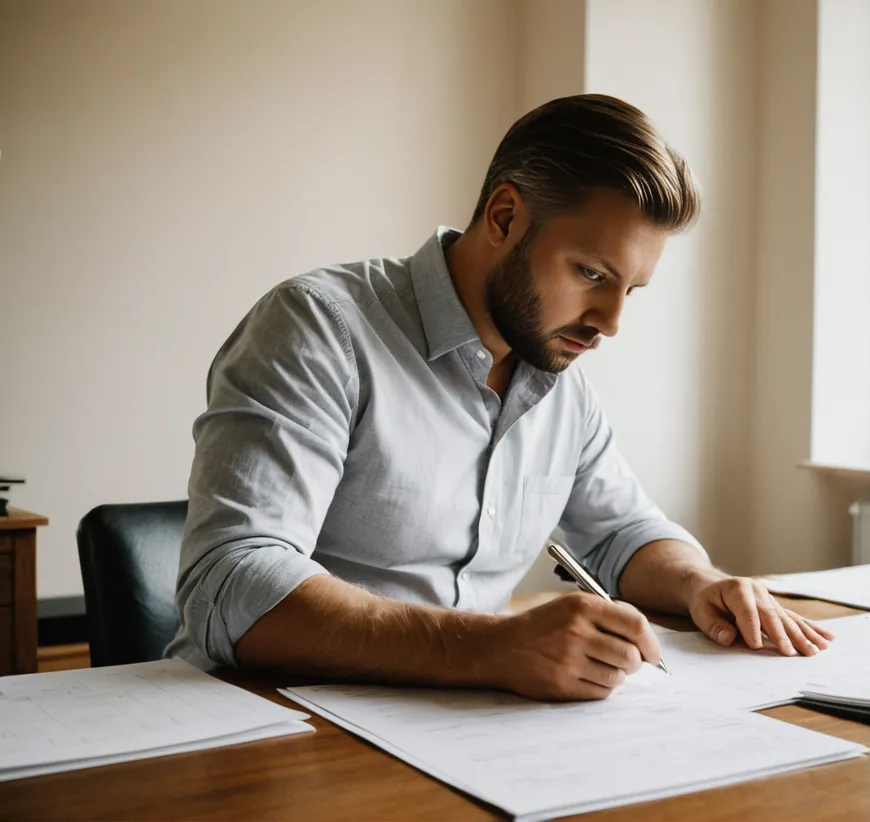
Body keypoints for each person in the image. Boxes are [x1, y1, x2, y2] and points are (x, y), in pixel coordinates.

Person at [166, 93, 834, 701]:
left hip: (454, 729)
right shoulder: (318, 328)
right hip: (263, 721)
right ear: (505, 216)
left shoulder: (560, 386)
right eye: (591, 274)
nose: (609, 323)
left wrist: (699, 582)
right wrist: (490, 647)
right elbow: (231, 586)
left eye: (628, 290)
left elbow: (623, 533)